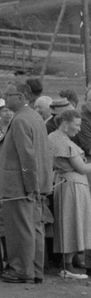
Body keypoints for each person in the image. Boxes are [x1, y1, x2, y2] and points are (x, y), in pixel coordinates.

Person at [0, 80, 52, 285]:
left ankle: (21, 270)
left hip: (20, 186)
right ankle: (35, 270)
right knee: (34, 228)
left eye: (8, 95)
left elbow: (27, 158)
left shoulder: (20, 120)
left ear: (20, 97)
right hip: (33, 184)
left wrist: (30, 186)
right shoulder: (34, 117)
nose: (4, 98)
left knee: (21, 229)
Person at [47, 110, 91, 279]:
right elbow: (82, 168)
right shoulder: (62, 142)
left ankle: (70, 261)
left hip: (69, 184)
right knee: (73, 222)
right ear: (65, 124)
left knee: (73, 222)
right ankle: (67, 265)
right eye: (77, 125)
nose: (79, 129)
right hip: (72, 186)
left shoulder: (55, 137)